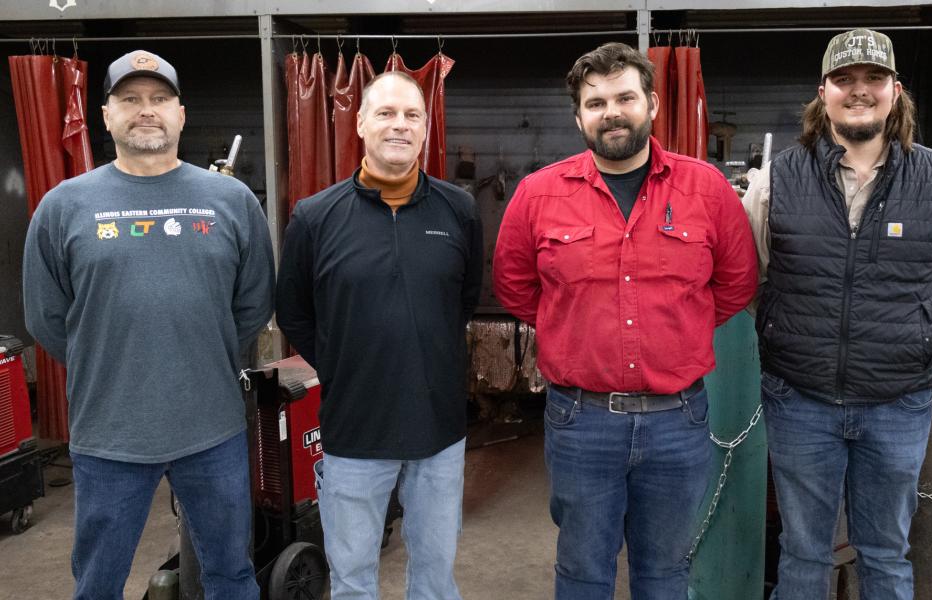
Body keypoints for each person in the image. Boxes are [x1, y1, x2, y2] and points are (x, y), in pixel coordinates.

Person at [492, 42, 757, 599]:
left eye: (625, 98)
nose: (611, 112)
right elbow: (515, 288)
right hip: (581, 422)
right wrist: (574, 327)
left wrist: (676, 331)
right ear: (579, 117)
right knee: (583, 571)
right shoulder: (538, 195)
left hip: (677, 421)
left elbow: (736, 284)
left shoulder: (705, 189)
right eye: (596, 103)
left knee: (665, 572)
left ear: (653, 105)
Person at [742, 28, 932, 599]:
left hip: (896, 406)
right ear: (822, 91)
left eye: (874, 79)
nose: (860, 91)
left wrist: (907, 332)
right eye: (844, 80)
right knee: (803, 554)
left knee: (885, 554)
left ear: (896, 91)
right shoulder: (779, 179)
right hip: (800, 401)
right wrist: (794, 324)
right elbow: (751, 276)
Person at [22, 50, 273, 599]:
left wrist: (197, 353)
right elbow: (47, 317)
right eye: (129, 100)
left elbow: (253, 304)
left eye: (159, 99)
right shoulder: (64, 206)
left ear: (181, 114)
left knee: (232, 573)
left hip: (212, 430)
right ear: (106, 116)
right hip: (110, 435)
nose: (146, 110)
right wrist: (112, 356)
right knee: (97, 581)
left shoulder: (230, 201)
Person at [275, 71, 483, 599]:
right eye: (386, 113)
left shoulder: (458, 211)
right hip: (352, 430)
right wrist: (345, 365)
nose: (399, 125)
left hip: (438, 429)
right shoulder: (315, 216)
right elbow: (294, 311)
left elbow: (464, 301)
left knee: (436, 577)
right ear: (361, 122)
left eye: (412, 115)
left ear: (426, 129)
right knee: (350, 579)